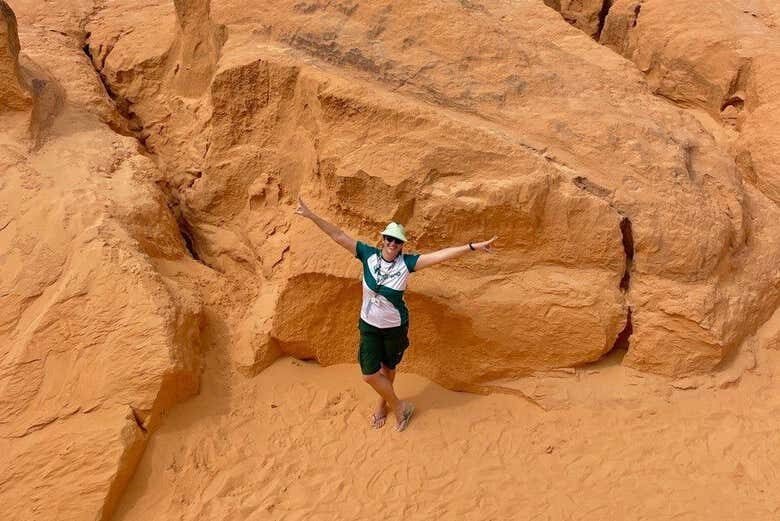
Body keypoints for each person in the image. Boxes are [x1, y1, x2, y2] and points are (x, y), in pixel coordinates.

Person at [295, 197, 496, 432]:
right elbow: (338, 236)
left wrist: (471, 247)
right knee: (370, 374)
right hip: (369, 325)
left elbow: (441, 255)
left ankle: (383, 404)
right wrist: (311, 216)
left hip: (395, 327)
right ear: (383, 239)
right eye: (389, 238)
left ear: (402, 245)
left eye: (397, 241)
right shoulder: (367, 255)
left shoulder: (407, 264)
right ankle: (400, 406)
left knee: (389, 369)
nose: (392, 243)